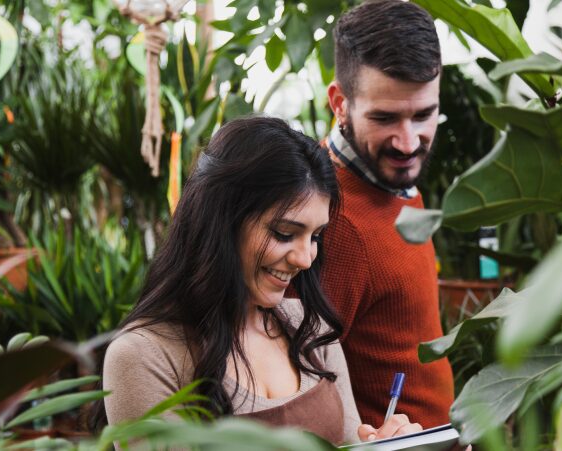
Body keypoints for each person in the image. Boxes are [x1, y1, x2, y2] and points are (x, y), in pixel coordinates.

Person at [101, 116, 421, 445]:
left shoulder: (311, 330)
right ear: (221, 221)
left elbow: (349, 443)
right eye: (284, 233)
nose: (305, 258)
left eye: (315, 236)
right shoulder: (145, 356)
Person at [322, 0, 454, 428]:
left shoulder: (392, 179)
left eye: (424, 114)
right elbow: (300, 380)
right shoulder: (330, 220)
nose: (408, 142)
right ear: (340, 103)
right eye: (385, 118)